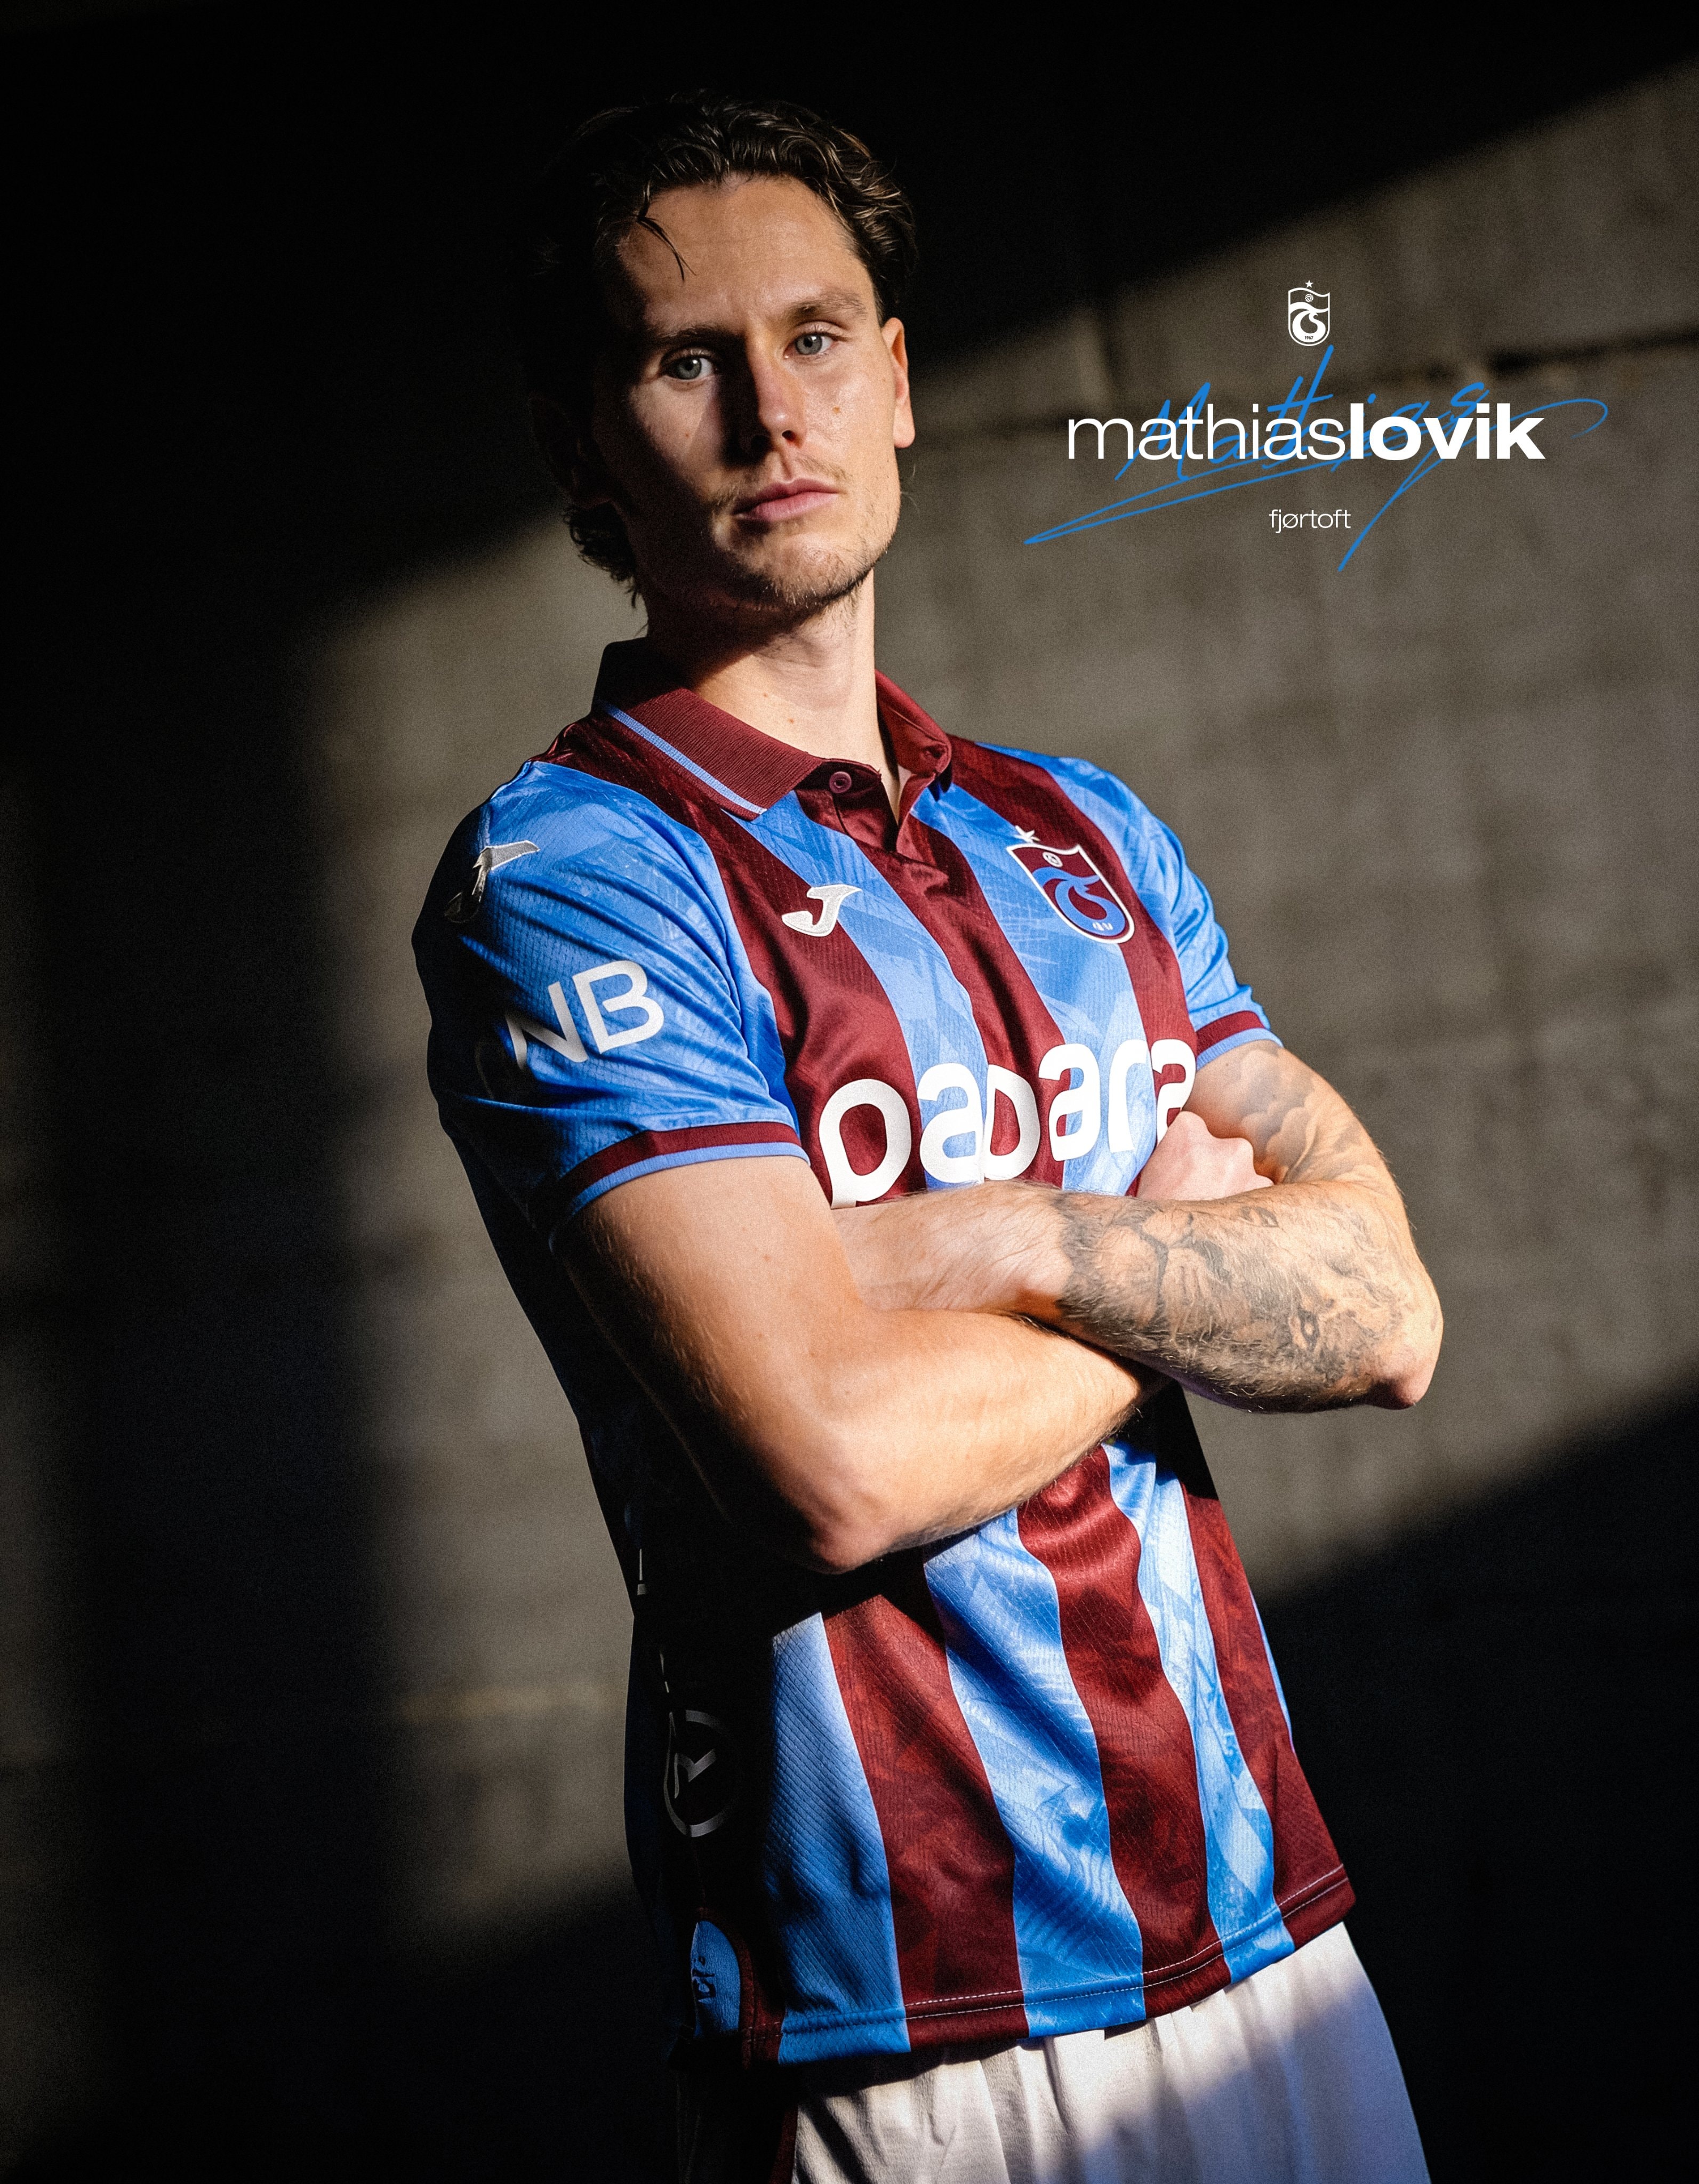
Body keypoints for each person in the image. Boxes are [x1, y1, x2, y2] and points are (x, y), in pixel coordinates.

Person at [413, 92, 1442, 2184]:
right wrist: (1162, 1254)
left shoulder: (1087, 833)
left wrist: (1003, 1239)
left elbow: (1385, 1313)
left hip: (1264, 1924)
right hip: (900, 2011)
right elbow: (831, 1462)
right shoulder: (573, 874)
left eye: (813, 336)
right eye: (681, 358)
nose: (765, 407)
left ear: (892, 378)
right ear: (579, 443)